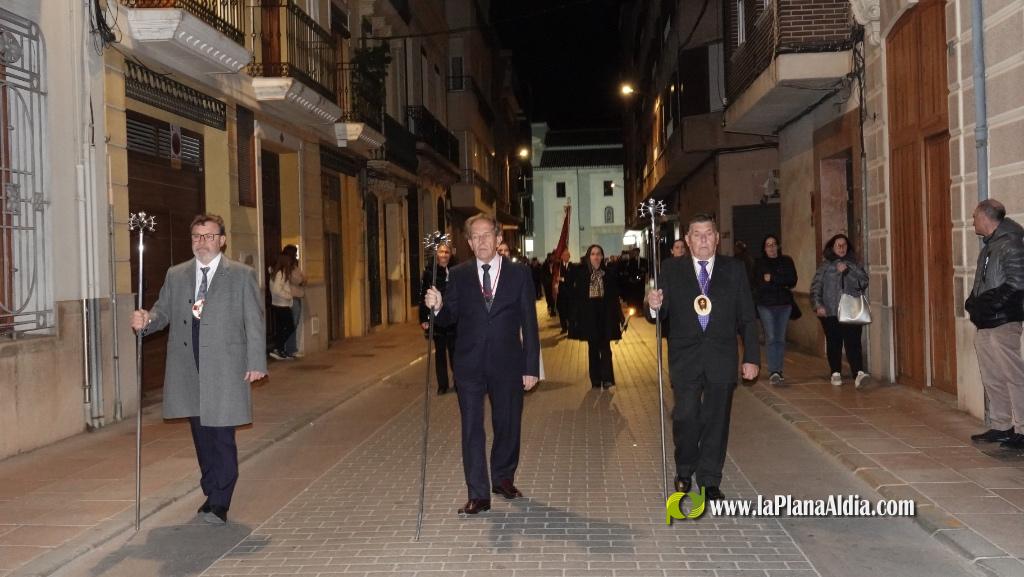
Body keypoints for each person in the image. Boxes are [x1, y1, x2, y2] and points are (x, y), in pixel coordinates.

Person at [129, 214, 266, 524]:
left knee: (222, 436)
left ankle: (220, 500)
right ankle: (211, 489)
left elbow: (253, 321)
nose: (201, 242)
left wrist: (256, 362)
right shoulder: (176, 275)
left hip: (226, 367)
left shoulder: (241, 275)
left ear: (222, 240)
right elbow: (162, 313)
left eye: (208, 236)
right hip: (189, 368)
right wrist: (145, 321)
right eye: (196, 237)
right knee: (202, 436)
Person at [424, 213, 540, 516]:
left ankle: (502, 477)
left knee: (507, 424)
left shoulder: (519, 274)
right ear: (468, 243)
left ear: (499, 237)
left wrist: (531, 366)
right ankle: (478, 493)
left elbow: (530, 322)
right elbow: (450, 317)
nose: (481, 241)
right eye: (475, 237)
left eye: (486, 235)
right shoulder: (460, 275)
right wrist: (437, 307)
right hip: (469, 365)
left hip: (508, 363)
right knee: (472, 428)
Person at [646, 213, 759, 502]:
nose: (703, 239)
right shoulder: (671, 269)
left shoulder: (734, 270)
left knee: (716, 419)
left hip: (721, 356)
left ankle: (709, 479)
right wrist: (653, 305)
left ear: (717, 238)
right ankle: (685, 468)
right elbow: (661, 312)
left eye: (708, 233)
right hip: (685, 357)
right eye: (697, 234)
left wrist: (751, 357)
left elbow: (747, 317)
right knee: (686, 416)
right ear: (687, 240)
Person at [965, 199, 1024, 447]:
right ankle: (1002, 425)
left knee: (1013, 375)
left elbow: (1018, 283)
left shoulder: (1010, 243)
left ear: (986, 218)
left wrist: (991, 305)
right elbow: (985, 282)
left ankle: (1022, 429)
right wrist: (973, 301)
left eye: (975, 216)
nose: (973, 221)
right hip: (987, 322)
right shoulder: (990, 245)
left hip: (1004, 322)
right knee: (992, 376)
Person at [810, 233, 870, 388]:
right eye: (838, 245)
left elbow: (863, 283)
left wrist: (847, 272)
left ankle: (858, 373)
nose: (842, 248)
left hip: (851, 311)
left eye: (844, 245)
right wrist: (818, 305)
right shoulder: (825, 267)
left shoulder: (854, 265)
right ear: (832, 247)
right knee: (834, 342)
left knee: (853, 343)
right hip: (830, 311)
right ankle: (835, 372)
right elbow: (816, 287)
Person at [568, 245, 624, 389]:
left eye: (599, 254)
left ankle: (607, 378)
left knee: (605, 347)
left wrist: (620, 317)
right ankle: (596, 379)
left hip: (605, 316)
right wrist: (574, 318)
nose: (596, 257)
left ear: (602, 256)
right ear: (589, 257)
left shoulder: (608, 274)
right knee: (593, 349)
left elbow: (614, 298)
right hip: (590, 317)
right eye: (593, 254)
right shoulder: (582, 275)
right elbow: (577, 298)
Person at [753, 235, 797, 386]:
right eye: (768, 245)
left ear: (778, 246)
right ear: (764, 248)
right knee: (771, 338)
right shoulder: (759, 263)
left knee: (780, 338)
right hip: (766, 305)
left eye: (773, 244)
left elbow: (792, 281)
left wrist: (772, 279)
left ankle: (779, 370)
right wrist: (777, 281)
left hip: (784, 305)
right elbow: (757, 284)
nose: (771, 247)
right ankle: (773, 371)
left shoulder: (787, 261)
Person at [419, 243, 457, 395]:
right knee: (440, 354)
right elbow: (423, 296)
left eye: (447, 252)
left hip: (454, 320)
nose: (444, 254)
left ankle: (458, 382)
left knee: (455, 354)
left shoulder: (456, 271)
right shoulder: (429, 273)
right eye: (441, 252)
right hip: (438, 320)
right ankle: (443, 385)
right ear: (437, 254)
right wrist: (423, 318)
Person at [268, 252, 296, 361]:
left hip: (278, 304)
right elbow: (276, 290)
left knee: (282, 328)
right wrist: (289, 295)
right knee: (289, 327)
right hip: (282, 305)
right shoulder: (280, 273)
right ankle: (278, 347)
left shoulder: (278, 272)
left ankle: (280, 349)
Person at [281, 245, 306, 358]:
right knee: (292, 324)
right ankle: (289, 349)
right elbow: (298, 279)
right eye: (295, 253)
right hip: (292, 297)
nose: (296, 255)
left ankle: (291, 348)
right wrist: (302, 280)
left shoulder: (294, 265)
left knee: (294, 324)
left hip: (296, 296)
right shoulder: (289, 267)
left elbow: (303, 278)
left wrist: (302, 279)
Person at [555, 249, 573, 333]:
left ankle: (571, 327)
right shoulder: (558, 267)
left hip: (569, 293)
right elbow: (555, 277)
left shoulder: (572, 266)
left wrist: (562, 279)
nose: (566, 257)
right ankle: (564, 327)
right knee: (561, 310)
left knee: (569, 311)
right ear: (562, 257)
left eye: (568, 255)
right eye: (564, 255)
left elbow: (572, 279)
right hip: (561, 293)